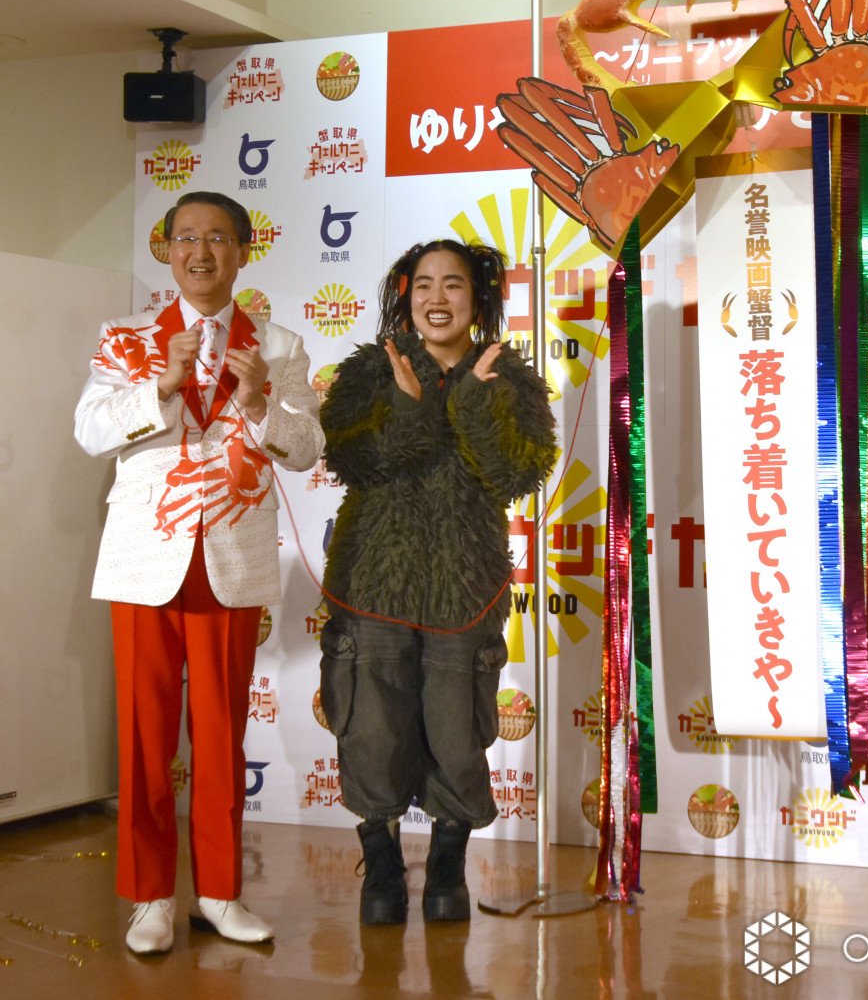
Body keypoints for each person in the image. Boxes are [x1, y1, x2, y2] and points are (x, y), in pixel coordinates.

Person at [74, 191, 324, 955]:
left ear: (244, 251)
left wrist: (256, 402)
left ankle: (219, 894)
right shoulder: (127, 338)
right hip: (144, 559)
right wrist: (159, 386)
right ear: (167, 250)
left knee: (220, 737)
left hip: (230, 558)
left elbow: (306, 449)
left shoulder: (278, 345)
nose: (201, 252)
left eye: (217, 238)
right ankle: (150, 898)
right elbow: (89, 431)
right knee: (145, 736)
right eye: (186, 237)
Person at [318, 238, 556, 924]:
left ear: (477, 298)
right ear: (406, 295)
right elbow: (352, 461)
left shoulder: (507, 375)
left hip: (465, 585)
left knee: (457, 731)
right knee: (372, 728)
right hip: (373, 583)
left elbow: (518, 473)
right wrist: (408, 406)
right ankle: (381, 865)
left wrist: (476, 404)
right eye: (424, 284)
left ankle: (448, 864)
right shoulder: (373, 369)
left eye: (453, 284)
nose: (437, 298)